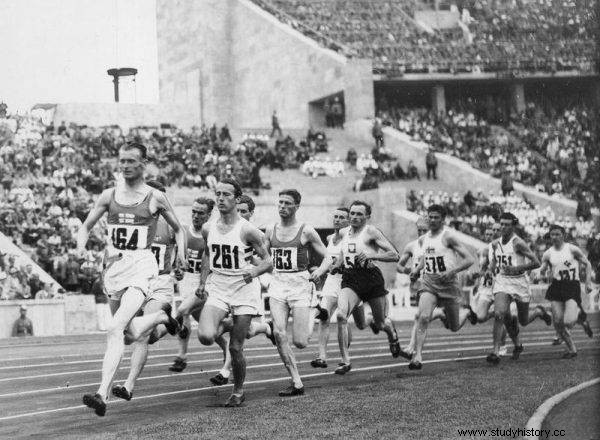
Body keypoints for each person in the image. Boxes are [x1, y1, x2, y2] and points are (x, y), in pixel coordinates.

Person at [79, 142, 187, 417]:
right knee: (128, 333)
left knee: (114, 328)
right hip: (115, 269)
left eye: (131, 161)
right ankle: (163, 318)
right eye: (122, 160)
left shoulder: (155, 197)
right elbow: (86, 225)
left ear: (143, 163)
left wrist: (182, 255)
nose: (125, 165)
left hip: (142, 267)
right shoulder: (108, 195)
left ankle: (102, 394)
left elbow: (179, 230)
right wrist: (81, 250)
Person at [196, 178, 272, 407]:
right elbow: (208, 254)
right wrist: (202, 282)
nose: (220, 198)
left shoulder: (248, 230)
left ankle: (238, 390)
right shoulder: (208, 228)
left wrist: (254, 271)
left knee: (236, 347)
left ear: (237, 199)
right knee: (205, 336)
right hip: (218, 286)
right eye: (217, 194)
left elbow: (268, 263)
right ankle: (229, 323)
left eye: (226, 194)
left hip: (242, 288)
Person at [314, 200, 405, 375]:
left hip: (371, 279)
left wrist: (372, 255)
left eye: (359, 214)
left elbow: (395, 255)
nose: (354, 217)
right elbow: (342, 252)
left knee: (380, 322)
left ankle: (391, 332)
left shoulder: (371, 231)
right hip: (350, 279)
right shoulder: (343, 232)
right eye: (352, 213)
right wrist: (336, 265)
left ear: (367, 217)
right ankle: (345, 361)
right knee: (341, 315)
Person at [111, 180, 179, 401]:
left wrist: (180, 259)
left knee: (143, 337)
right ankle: (169, 321)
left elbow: (181, 235)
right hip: (138, 280)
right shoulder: (135, 221)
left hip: (160, 281)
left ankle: (128, 386)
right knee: (133, 335)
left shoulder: (170, 224)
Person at [265, 189, 329, 395]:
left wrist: (319, 270)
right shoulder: (270, 229)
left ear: (297, 207)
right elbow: (264, 257)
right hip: (277, 283)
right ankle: (296, 381)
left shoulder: (306, 231)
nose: (282, 206)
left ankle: (315, 311)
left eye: (287, 203)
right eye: (280, 202)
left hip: (300, 284)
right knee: (278, 333)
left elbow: (328, 256)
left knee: (300, 342)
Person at [209, 194, 275, 385]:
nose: (240, 213)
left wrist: (253, 266)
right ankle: (265, 328)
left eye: (244, 211)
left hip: (249, 283)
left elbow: (267, 261)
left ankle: (225, 371)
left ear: (251, 213)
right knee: (236, 330)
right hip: (225, 285)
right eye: (238, 210)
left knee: (241, 334)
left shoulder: (254, 234)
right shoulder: (224, 229)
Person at [408, 204, 477, 370]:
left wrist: (452, 272)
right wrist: (417, 270)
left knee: (453, 327)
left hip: (448, 285)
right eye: (430, 217)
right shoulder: (423, 239)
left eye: (436, 217)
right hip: (429, 282)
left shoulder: (448, 237)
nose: (432, 220)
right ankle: (417, 356)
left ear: (443, 219)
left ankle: (466, 312)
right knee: (423, 317)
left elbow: (469, 259)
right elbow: (426, 256)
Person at [169, 197, 228, 375]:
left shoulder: (212, 234)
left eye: (200, 213)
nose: (195, 216)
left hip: (205, 285)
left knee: (181, 311)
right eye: (193, 211)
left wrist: (205, 281)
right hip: (186, 282)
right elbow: (175, 256)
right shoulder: (183, 232)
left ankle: (181, 356)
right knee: (208, 329)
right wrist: (176, 269)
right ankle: (229, 351)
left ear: (209, 215)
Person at [486, 212, 551, 365]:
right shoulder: (495, 244)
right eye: (501, 224)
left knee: (523, 320)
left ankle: (539, 312)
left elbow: (536, 262)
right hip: (503, 282)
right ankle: (495, 352)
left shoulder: (518, 243)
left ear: (513, 226)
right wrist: (490, 271)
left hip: (519, 282)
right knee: (499, 314)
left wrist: (517, 269)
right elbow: (494, 262)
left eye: (507, 224)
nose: (503, 227)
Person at [310, 207, 366, 369]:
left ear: (348, 221)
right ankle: (322, 357)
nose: (338, 220)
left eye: (342, 217)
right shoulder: (329, 238)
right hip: (332, 282)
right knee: (324, 316)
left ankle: (372, 320)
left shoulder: (354, 239)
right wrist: (320, 271)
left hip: (350, 283)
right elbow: (327, 260)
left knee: (361, 323)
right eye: (335, 216)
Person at [538, 225, 593, 358]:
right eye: (552, 235)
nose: (555, 237)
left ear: (563, 235)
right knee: (557, 322)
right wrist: (539, 273)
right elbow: (543, 268)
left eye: (557, 234)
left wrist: (588, 281)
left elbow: (588, 263)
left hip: (571, 285)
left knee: (568, 321)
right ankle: (572, 349)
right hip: (556, 286)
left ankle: (580, 317)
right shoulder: (548, 253)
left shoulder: (572, 249)